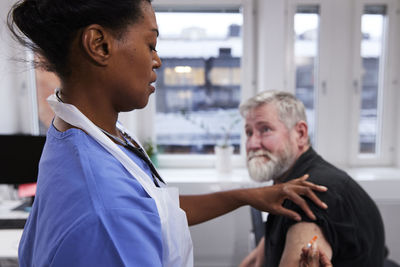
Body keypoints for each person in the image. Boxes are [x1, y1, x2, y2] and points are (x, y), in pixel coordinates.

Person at [8, 1, 328, 266]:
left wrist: (244, 196)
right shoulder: (108, 218)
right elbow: (124, 212)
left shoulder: (77, 130)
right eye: (150, 44)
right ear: (99, 45)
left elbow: (153, 212)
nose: (157, 60)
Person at [239, 90, 385, 267]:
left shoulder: (311, 193)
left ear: (300, 134)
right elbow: (257, 260)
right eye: (248, 133)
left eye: (266, 130)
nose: (253, 144)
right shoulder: (288, 184)